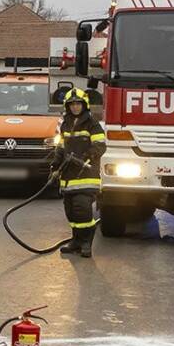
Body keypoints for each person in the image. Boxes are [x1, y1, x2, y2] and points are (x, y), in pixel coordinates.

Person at [55, 87, 106, 256]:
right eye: (72, 104)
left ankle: (86, 243)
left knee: (82, 210)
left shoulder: (92, 124)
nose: (75, 107)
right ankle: (75, 241)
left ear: (84, 105)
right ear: (67, 106)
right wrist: (55, 165)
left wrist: (87, 156)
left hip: (86, 175)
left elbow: (100, 146)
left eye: (78, 104)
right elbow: (61, 148)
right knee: (70, 212)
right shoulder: (65, 125)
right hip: (68, 177)